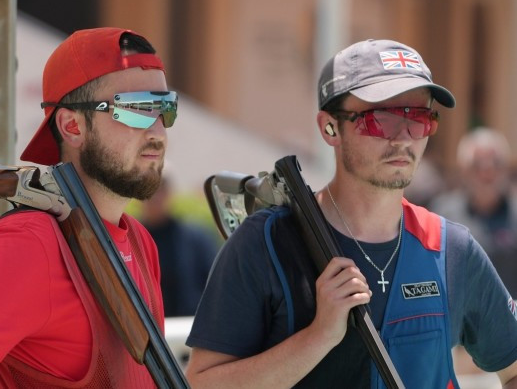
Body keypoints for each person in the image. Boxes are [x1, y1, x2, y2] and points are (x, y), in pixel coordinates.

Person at [185, 39, 517, 388]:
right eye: (383, 119)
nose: (404, 137)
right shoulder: (265, 242)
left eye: (418, 118)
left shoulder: (452, 249)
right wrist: (319, 336)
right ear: (330, 127)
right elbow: (201, 383)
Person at [0, 27, 178, 388]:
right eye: (137, 109)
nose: (158, 132)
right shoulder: (31, 240)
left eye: (165, 108)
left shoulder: (141, 242)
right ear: (71, 126)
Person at [430, 127, 517, 296]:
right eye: (478, 164)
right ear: (463, 169)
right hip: (460, 318)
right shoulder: (442, 214)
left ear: (507, 168)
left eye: (496, 163)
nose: (487, 172)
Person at [140, 175, 219, 317]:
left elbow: (218, 285)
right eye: (148, 189)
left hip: (189, 328)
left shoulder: (196, 237)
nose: (155, 196)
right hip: (146, 332)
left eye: (161, 189)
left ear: (169, 194)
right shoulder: (130, 240)